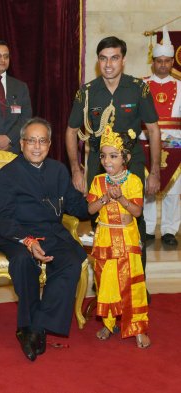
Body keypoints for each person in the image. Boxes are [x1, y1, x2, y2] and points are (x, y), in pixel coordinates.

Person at [0, 118, 89, 362]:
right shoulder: (7, 174)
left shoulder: (57, 170)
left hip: (51, 232)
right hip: (15, 234)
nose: (37, 146)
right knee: (23, 261)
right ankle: (32, 325)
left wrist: (100, 198)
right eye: (31, 141)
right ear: (22, 143)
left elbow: (77, 207)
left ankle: (34, 326)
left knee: (71, 262)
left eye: (42, 141)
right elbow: (2, 220)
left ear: (49, 144)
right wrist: (28, 241)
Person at [65, 36, 161, 272]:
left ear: (123, 60)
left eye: (114, 58)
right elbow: (71, 131)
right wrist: (76, 170)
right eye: (103, 58)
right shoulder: (87, 92)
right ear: (98, 61)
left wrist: (155, 172)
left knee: (135, 217)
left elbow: (153, 129)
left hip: (132, 162)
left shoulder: (139, 88)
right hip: (99, 162)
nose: (109, 64)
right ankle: (104, 283)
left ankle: (137, 282)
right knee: (99, 217)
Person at [87, 125, 150, 348]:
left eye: (113, 156)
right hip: (104, 238)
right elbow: (91, 210)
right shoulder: (98, 181)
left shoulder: (133, 181)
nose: (107, 161)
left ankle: (138, 328)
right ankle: (108, 322)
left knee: (132, 285)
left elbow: (137, 212)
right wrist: (104, 198)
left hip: (127, 239)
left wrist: (122, 199)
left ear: (126, 158)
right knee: (106, 282)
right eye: (104, 156)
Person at [141, 26, 180, 246]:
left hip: (176, 144)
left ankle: (169, 230)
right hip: (146, 141)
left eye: (167, 60)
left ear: (172, 62)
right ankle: (146, 228)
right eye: (159, 60)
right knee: (148, 186)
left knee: (174, 189)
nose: (163, 64)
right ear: (153, 62)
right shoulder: (141, 85)